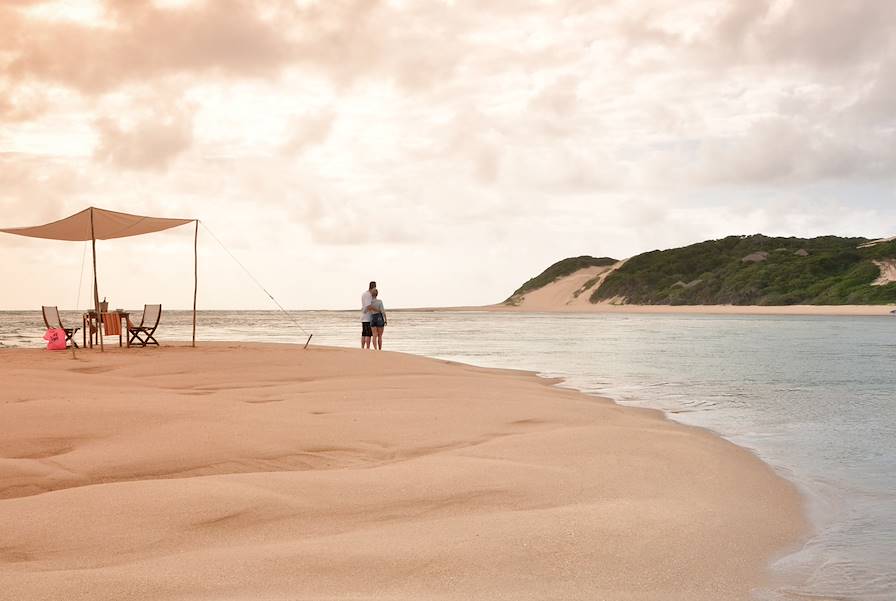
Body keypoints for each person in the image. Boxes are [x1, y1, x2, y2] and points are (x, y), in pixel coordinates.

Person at [361, 280, 376, 349]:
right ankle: (367, 348)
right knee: (368, 334)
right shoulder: (368, 295)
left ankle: (362, 347)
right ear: (373, 287)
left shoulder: (364, 294)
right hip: (368, 317)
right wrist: (377, 310)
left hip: (364, 317)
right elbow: (368, 306)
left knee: (364, 333)